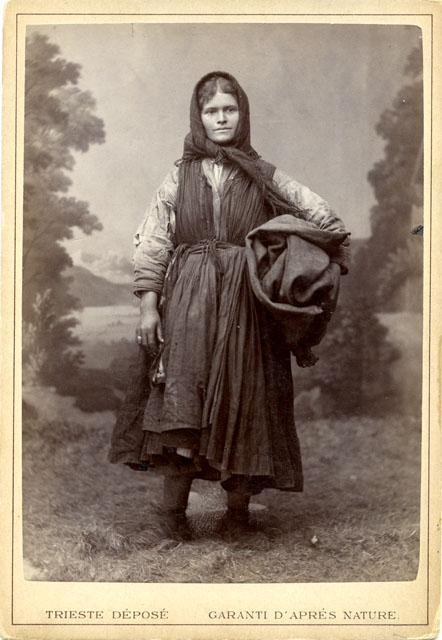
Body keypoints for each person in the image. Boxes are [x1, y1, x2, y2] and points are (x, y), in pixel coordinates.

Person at [109, 71, 350, 539]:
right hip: (189, 302)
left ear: (243, 114)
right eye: (211, 111)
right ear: (198, 117)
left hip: (246, 304)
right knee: (182, 396)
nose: (221, 119)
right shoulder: (178, 177)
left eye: (229, 109)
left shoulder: (265, 175)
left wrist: (291, 260)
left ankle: (237, 518)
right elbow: (154, 241)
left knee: (246, 395)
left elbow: (326, 220)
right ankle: (173, 519)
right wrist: (148, 307)